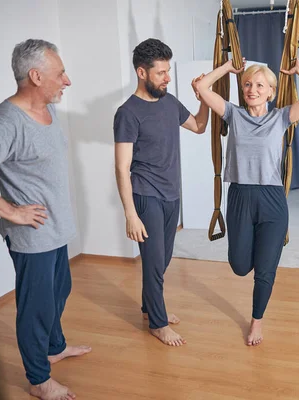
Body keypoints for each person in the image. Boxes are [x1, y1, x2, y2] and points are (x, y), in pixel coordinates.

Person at [0, 39, 91, 400]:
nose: (67, 80)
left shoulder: (48, 109)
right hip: (32, 236)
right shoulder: (8, 121)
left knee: (60, 291)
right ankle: (38, 379)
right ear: (36, 76)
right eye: (60, 73)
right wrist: (12, 212)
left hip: (55, 229)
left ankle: (54, 346)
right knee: (36, 307)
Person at [195, 57, 299, 346]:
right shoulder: (233, 114)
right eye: (248, 84)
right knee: (240, 265)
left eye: (259, 85)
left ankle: (256, 322)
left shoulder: (280, 117)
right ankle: (261, 254)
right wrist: (228, 68)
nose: (252, 89)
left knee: (265, 271)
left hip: (271, 199)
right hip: (240, 196)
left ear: (271, 92)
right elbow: (203, 87)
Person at [113, 38, 209, 347]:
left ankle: (147, 306)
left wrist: (203, 98)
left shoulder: (169, 102)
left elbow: (198, 126)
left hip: (172, 194)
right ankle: (157, 322)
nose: (167, 78)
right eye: (161, 73)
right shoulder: (128, 113)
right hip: (146, 194)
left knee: (163, 258)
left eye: (168, 71)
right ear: (142, 72)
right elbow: (121, 167)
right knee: (154, 262)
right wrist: (130, 213)